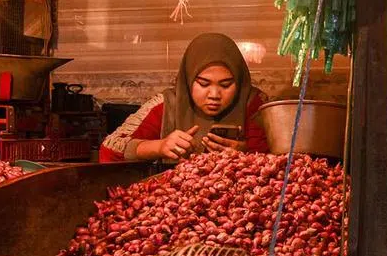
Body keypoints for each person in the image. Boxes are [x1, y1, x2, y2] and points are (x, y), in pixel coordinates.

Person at [100, 33, 269, 162]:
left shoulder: (254, 104)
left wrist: (245, 153)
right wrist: (160, 146)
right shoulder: (168, 105)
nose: (214, 95)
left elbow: (284, 160)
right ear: (188, 80)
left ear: (239, 82)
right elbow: (109, 150)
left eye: (226, 85)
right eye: (203, 84)